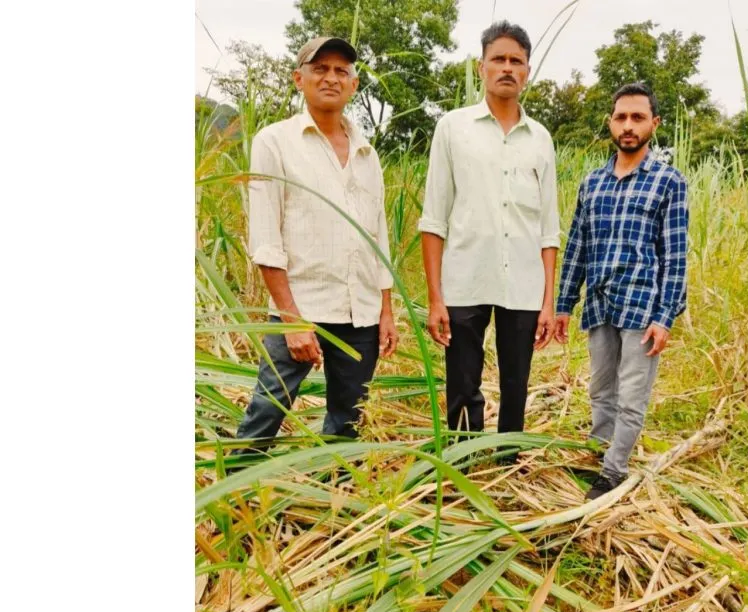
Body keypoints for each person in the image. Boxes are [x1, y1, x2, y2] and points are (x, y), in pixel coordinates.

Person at [236, 36, 398, 442]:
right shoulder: (274, 142)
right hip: (301, 306)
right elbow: (265, 237)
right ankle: (235, 493)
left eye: (341, 71)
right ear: (299, 78)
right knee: (265, 412)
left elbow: (378, 236)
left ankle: (338, 497)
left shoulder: (367, 153)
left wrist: (386, 311)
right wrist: (291, 320)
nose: (331, 78)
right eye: (320, 69)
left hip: (359, 311)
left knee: (347, 421)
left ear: (354, 84)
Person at [418, 21, 561, 444]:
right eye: (498, 59)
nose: (507, 68)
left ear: (527, 72)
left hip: (523, 284)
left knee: (516, 382)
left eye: (516, 61)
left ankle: (507, 459)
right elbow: (433, 218)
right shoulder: (453, 128)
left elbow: (548, 228)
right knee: (463, 380)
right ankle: (465, 458)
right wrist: (435, 296)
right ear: (481, 66)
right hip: (465, 278)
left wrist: (548, 302)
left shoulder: (540, 139)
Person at [554, 82, 689, 500]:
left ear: (654, 123)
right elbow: (577, 245)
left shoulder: (668, 182)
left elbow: (676, 255)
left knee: (632, 394)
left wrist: (665, 316)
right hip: (599, 302)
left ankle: (613, 472)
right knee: (600, 388)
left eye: (638, 117)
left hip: (642, 307)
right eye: (621, 117)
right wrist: (563, 304)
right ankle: (598, 452)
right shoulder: (592, 183)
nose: (628, 126)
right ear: (611, 123)